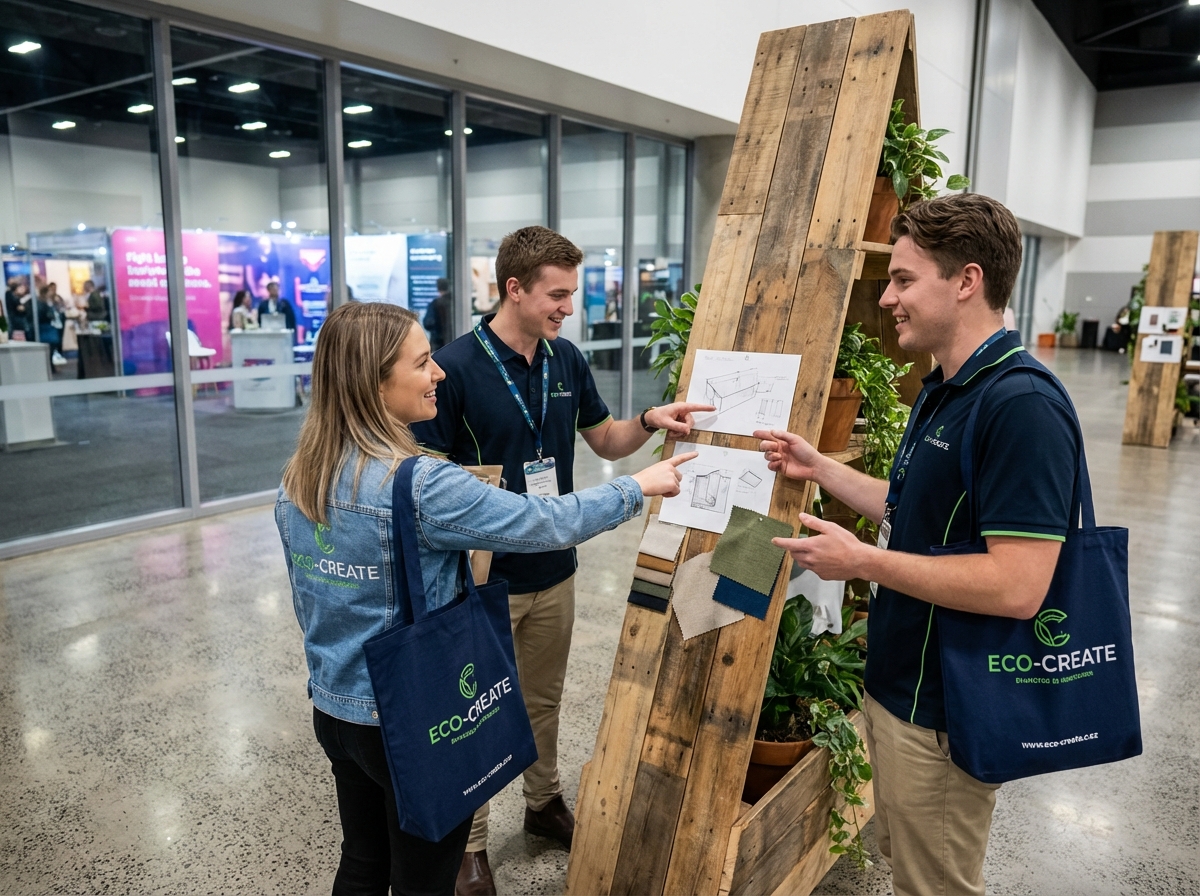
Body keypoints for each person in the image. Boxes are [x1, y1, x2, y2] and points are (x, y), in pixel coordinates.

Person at [276, 301, 692, 896]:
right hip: (412, 719)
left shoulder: (299, 476)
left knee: (363, 862)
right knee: (425, 879)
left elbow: (310, 600)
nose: (439, 373)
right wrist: (638, 487)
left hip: (336, 710)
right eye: (421, 364)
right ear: (375, 384)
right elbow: (543, 522)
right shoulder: (420, 483)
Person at [755, 193, 1078, 896]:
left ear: (966, 280)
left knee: (936, 886)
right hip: (899, 691)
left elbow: (1019, 586)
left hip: (945, 712)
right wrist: (822, 468)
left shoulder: (1021, 406)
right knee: (907, 872)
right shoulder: (945, 387)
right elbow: (914, 512)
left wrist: (862, 561)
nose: (889, 297)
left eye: (904, 279)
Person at [410, 225, 714, 895]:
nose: (566, 308)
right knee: (478, 712)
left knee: (542, 701)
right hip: (481, 580)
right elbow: (426, 481)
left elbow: (606, 441)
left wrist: (650, 422)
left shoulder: (565, 358)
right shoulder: (453, 368)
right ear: (512, 290)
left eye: (570, 294)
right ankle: (473, 841)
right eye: (556, 295)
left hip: (556, 569)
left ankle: (543, 803)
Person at [37, 283, 66, 366]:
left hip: (50, 326)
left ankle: (51, 365)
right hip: (46, 327)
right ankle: (49, 365)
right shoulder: (42, 302)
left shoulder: (50, 300)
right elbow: (44, 314)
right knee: (50, 346)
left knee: (53, 345)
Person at [423, 277, 453, 351]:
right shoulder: (455, 302)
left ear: (438, 288)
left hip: (438, 344)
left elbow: (428, 323)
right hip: (453, 341)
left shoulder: (435, 304)